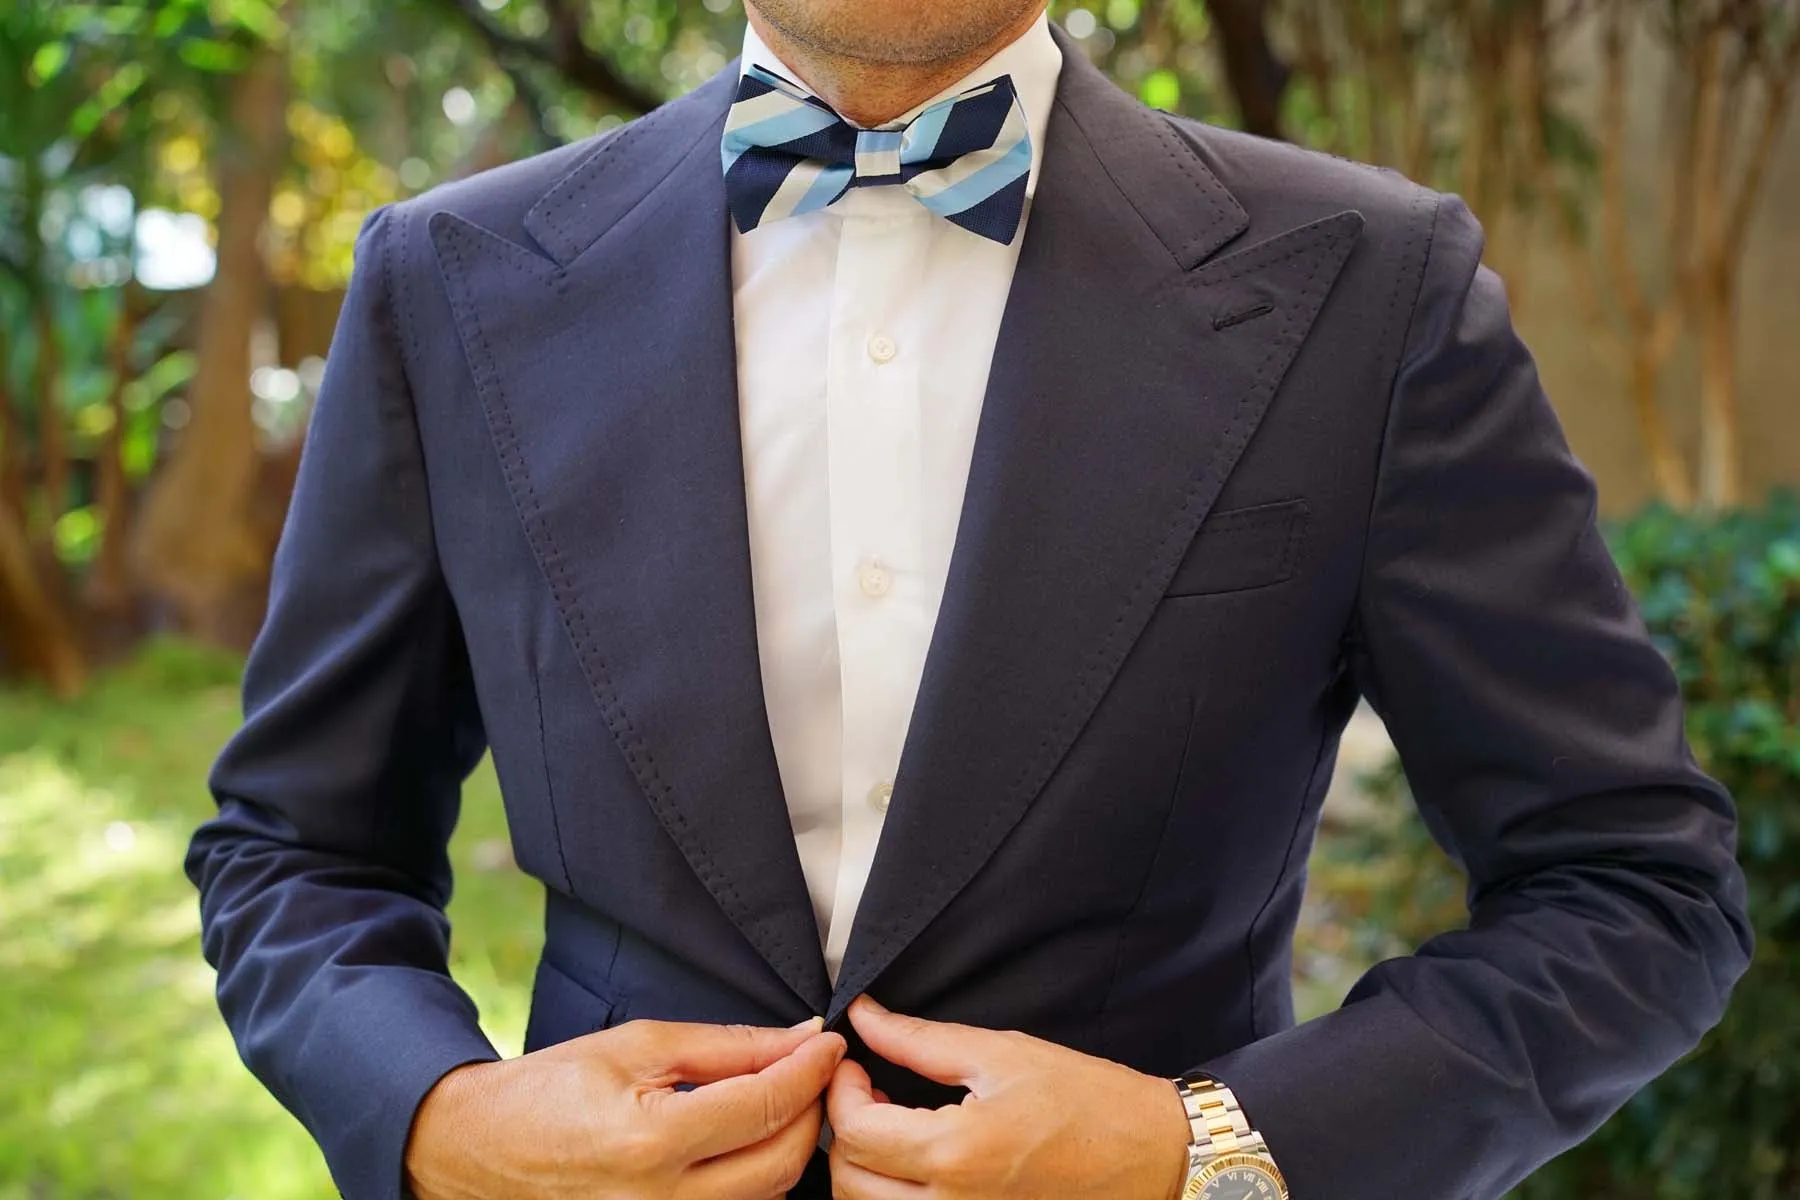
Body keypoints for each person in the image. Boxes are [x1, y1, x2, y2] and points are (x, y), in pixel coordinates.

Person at [185, 1, 1754, 1197]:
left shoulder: (1371, 288)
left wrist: (1200, 1147)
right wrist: (441, 1124)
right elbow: (294, 850)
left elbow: (1633, 890)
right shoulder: (448, 283)